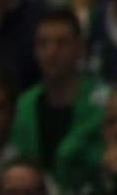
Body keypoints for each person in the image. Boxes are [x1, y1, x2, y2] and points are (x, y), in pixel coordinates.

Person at [9, 10, 107, 183]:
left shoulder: (104, 104)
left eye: (62, 43)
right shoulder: (24, 105)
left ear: (81, 49)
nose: (51, 52)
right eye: (43, 44)